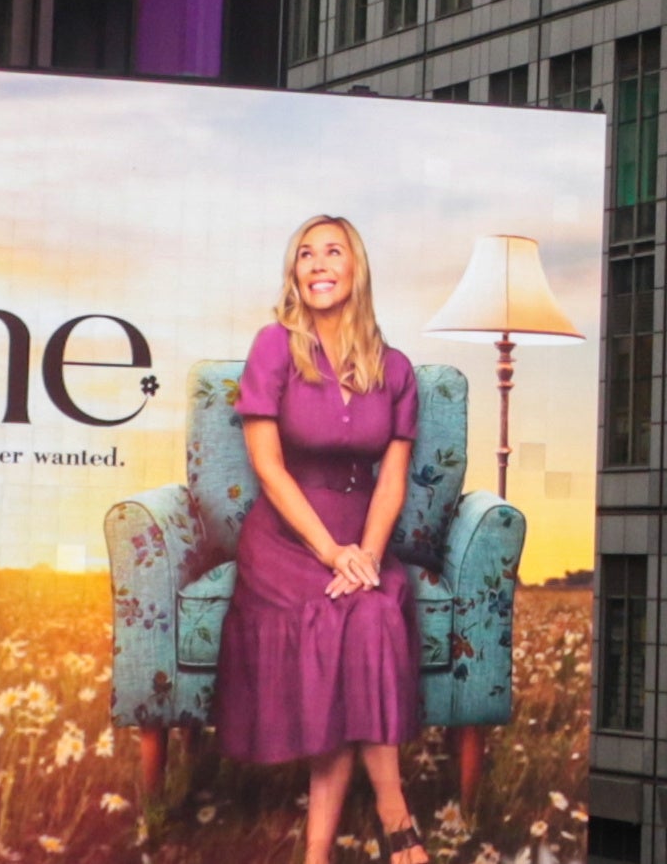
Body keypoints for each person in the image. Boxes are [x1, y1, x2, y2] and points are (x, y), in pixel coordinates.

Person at [218, 214, 431, 864]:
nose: (317, 263)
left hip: (362, 537)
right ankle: (398, 822)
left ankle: (318, 855)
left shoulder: (395, 369)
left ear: (355, 268)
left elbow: (391, 480)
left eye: (332, 251)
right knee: (347, 621)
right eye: (305, 253)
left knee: (369, 612)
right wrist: (330, 552)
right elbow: (268, 467)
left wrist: (365, 555)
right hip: (286, 538)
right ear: (295, 273)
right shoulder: (273, 348)